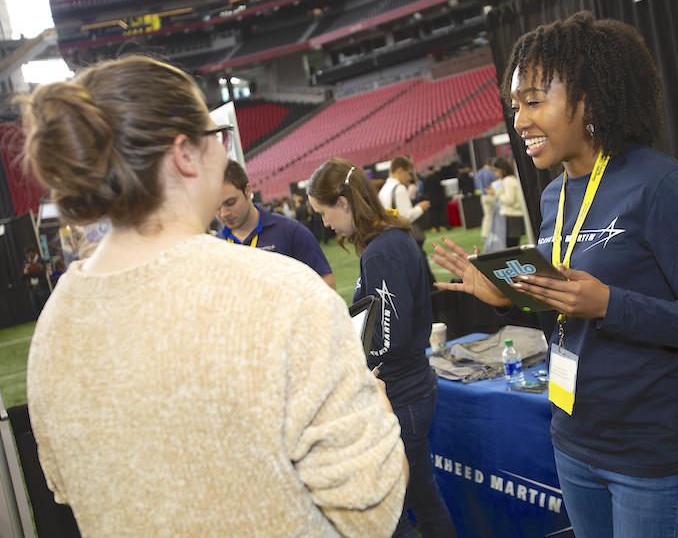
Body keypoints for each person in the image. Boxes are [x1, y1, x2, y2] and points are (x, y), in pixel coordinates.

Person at [21, 55, 406, 537]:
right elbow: (368, 507)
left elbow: (69, 488)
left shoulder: (55, 327)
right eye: (217, 138)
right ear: (184, 153)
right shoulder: (280, 294)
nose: (224, 153)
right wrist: (382, 424)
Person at [433, 12, 678, 538]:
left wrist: (611, 303)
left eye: (534, 101)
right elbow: (568, 313)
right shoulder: (552, 195)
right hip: (572, 443)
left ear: (588, 99)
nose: (518, 122)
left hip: (651, 458)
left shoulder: (659, 185)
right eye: (514, 106)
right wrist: (510, 299)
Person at [307, 158, 456, 538]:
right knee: (424, 499)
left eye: (324, 213)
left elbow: (388, 335)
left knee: (391, 516)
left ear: (343, 203)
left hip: (400, 395)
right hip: (411, 389)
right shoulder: (388, 240)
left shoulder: (382, 250)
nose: (325, 224)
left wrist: (355, 359)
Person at [217, 160, 336, 289]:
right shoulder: (215, 246)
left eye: (230, 203)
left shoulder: (291, 232)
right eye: (215, 206)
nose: (224, 213)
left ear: (247, 191)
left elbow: (327, 284)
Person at [379, 155, 431, 227]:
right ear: (400, 171)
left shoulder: (383, 189)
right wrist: (420, 208)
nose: (409, 178)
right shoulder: (399, 188)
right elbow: (405, 218)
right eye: (409, 173)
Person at [488, 157, 525, 247]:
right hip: (512, 216)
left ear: (502, 169)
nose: (495, 173)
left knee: (511, 247)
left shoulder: (508, 181)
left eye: (496, 170)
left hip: (511, 217)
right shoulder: (510, 180)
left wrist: (497, 193)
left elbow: (510, 200)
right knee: (512, 246)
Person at [22, 245, 49, 317]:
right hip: (32, 287)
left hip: (41, 287)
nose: (28, 255)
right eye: (26, 254)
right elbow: (24, 277)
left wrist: (31, 271)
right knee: (36, 308)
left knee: (45, 306)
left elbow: (41, 274)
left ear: (33, 252)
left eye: (29, 253)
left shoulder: (41, 261)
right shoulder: (26, 262)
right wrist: (26, 271)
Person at [474, 159, 498, 239]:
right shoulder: (491, 172)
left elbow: (477, 187)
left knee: (487, 215)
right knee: (496, 215)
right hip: (492, 195)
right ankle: (495, 233)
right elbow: (496, 183)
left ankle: (485, 234)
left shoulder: (478, 173)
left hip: (483, 196)